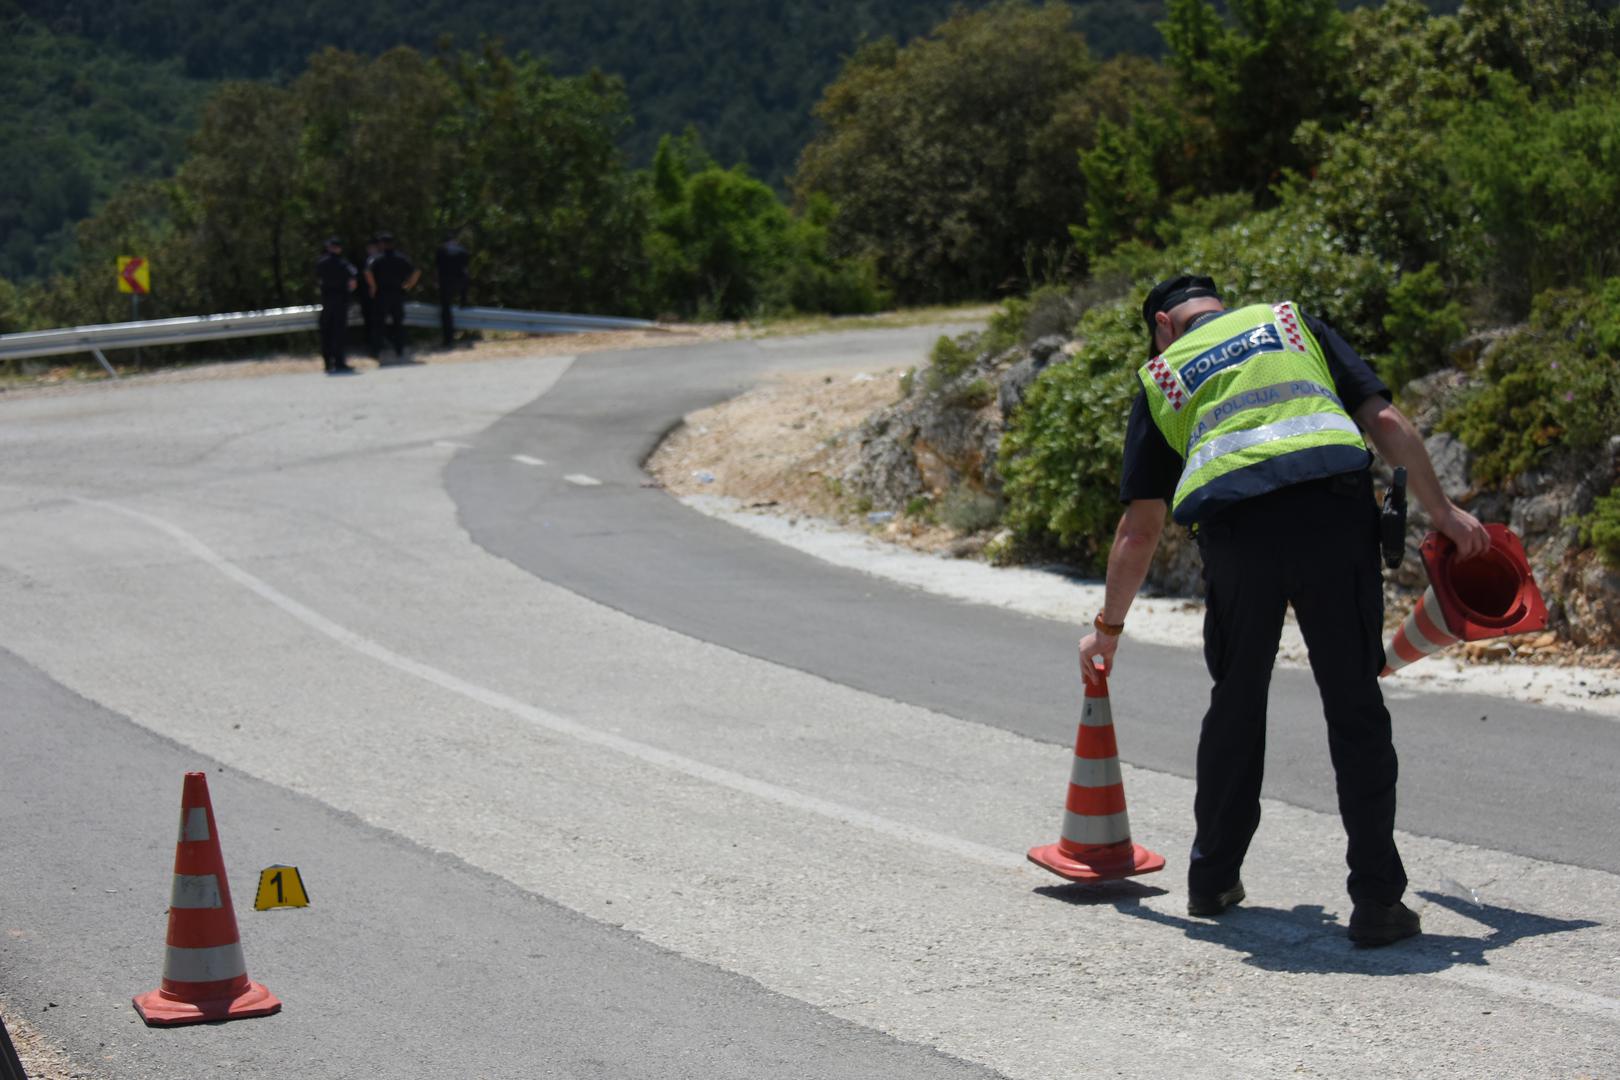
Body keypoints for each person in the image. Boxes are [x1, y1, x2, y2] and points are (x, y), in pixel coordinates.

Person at [1076, 273, 1489, 947]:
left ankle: (1212, 879)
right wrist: (1441, 512)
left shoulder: (1163, 374)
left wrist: (1108, 630)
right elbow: (1383, 420)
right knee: (1354, 706)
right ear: (1221, 305)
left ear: (1161, 324)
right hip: (1333, 519)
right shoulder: (1291, 324)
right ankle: (1378, 902)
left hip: (1241, 540)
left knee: (1237, 702)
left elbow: (1140, 527)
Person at [364, 231, 420, 363]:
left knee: (378, 324)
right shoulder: (401, 258)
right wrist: (408, 285)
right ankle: (399, 350)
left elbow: (367, 272)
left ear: (382, 244)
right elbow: (416, 271)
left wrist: (373, 287)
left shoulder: (376, 258)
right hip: (397, 293)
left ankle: (376, 351)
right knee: (398, 323)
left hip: (381, 294)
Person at [314, 237, 357, 374]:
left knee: (326, 332)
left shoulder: (321, 262)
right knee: (339, 333)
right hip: (341, 302)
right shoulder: (344, 264)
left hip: (326, 301)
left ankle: (327, 363)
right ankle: (339, 362)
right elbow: (353, 283)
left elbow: (317, 280)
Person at [434, 232, 471, 349]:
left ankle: (448, 339)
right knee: (463, 289)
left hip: (446, 282)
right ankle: (463, 301)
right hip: (460, 282)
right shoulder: (462, 250)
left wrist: (436, 282)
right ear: (455, 241)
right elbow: (466, 269)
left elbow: (437, 268)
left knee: (446, 310)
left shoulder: (441, 250)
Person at [356, 238, 382, 358]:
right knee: (370, 322)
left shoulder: (379, 260)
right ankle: (371, 346)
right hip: (367, 297)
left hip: (379, 297)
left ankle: (376, 346)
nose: (371, 250)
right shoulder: (367, 261)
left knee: (377, 323)